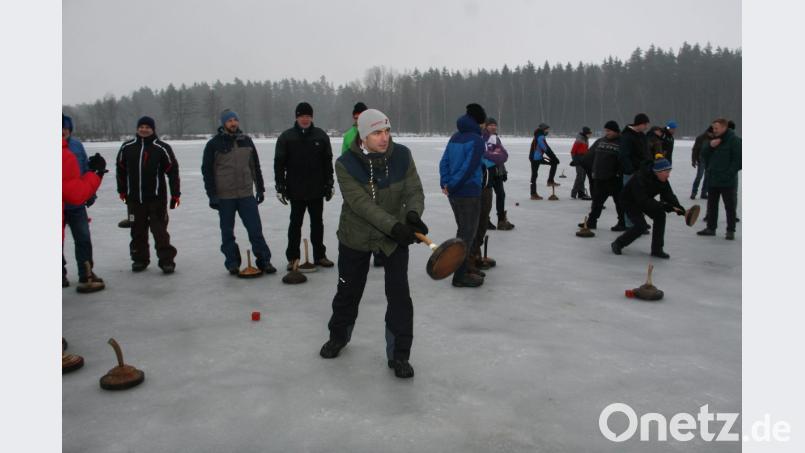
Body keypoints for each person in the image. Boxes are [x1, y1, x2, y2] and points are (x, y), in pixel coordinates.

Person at [319, 109, 426, 379]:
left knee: (400, 296)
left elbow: (414, 189)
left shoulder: (402, 155)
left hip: (394, 237)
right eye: (377, 133)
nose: (384, 138)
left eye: (387, 131)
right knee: (348, 290)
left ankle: (400, 355)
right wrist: (395, 226)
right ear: (363, 136)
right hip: (356, 235)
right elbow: (362, 205)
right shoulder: (345, 164)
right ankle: (338, 336)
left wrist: (413, 215)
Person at [202, 109, 276, 275]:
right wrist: (212, 195)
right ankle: (232, 262)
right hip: (224, 196)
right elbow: (207, 171)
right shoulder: (214, 144)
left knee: (255, 230)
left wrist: (260, 188)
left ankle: (264, 260)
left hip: (246, 194)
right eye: (229, 121)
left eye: (235, 120)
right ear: (223, 123)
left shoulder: (247, 141)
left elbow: (255, 167)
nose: (233, 123)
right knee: (227, 232)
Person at [275, 102, 335, 270]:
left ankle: (320, 256)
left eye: (308, 116)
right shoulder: (287, 137)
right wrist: (280, 186)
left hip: (316, 189)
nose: (305, 119)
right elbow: (279, 164)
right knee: (295, 224)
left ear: (312, 117)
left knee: (317, 224)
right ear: (297, 117)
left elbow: (327, 162)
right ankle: (293, 258)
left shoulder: (321, 136)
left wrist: (329, 183)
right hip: (295, 190)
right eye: (302, 116)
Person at [116, 116, 180, 274]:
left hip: (156, 200)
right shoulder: (127, 147)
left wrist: (175, 195)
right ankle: (139, 259)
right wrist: (122, 190)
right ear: (137, 128)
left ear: (153, 129)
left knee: (160, 232)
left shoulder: (161, 147)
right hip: (134, 200)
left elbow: (173, 171)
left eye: (147, 127)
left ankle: (167, 261)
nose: (144, 129)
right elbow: (120, 170)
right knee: (137, 231)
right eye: (141, 126)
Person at [439, 103, 488, 288]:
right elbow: (468, 168)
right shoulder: (476, 140)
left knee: (465, 231)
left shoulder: (455, 137)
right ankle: (460, 275)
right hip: (467, 192)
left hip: (455, 193)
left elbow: (444, 162)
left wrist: (445, 182)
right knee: (467, 234)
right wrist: (451, 184)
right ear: (479, 121)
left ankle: (466, 267)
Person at [611, 156, 686, 259]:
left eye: (669, 172)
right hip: (629, 202)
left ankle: (657, 249)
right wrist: (665, 206)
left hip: (645, 199)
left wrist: (678, 207)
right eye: (666, 172)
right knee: (641, 226)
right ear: (657, 171)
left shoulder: (662, 180)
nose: (668, 175)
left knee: (660, 216)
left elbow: (669, 195)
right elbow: (643, 201)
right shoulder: (640, 178)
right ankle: (618, 243)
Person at [62, 114, 104, 291]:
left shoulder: (77, 146)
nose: (62, 131)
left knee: (83, 239)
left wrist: (90, 194)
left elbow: (86, 169)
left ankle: (85, 272)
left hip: (76, 203)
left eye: (65, 128)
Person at [697, 118, 742, 240]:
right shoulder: (713, 139)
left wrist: (729, 174)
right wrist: (710, 146)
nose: (714, 130)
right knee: (712, 205)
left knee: (729, 206)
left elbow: (738, 161)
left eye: (716, 128)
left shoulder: (735, 141)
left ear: (724, 127)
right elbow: (703, 154)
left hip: (727, 180)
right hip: (713, 178)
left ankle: (730, 230)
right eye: (713, 128)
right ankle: (711, 228)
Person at [580, 121, 625, 231]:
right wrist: (583, 163)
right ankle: (591, 222)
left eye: (609, 131)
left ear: (615, 131)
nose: (607, 133)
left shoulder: (622, 142)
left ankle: (622, 222)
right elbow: (590, 155)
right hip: (600, 178)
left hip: (615, 179)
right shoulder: (601, 141)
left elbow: (625, 160)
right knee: (597, 202)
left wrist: (619, 172)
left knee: (619, 203)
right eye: (606, 130)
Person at [483, 118, 514, 230]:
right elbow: (485, 155)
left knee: (501, 195)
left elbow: (501, 156)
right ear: (486, 126)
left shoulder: (496, 138)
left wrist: (503, 171)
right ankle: (484, 220)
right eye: (491, 125)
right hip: (486, 173)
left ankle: (501, 220)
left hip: (498, 173)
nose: (493, 127)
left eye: (495, 125)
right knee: (487, 197)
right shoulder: (482, 138)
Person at [528, 123, 560, 199]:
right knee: (554, 163)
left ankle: (534, 193)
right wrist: (554, 158)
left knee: (534, 175)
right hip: (535, 159)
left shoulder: (538, 135)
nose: (547, 131)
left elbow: (544, 148)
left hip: (536, 158)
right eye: (546, 129)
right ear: (543, 129)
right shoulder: (540, 136)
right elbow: (546, 148)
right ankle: (549, 181)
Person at [690, 126, 713, 200]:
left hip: (710, 161)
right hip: (701, 159)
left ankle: (704, 193)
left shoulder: (715, 138)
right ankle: (694, 192)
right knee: (699, 176)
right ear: (708, 132)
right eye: (711, 133)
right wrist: (693, 160)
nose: (712, 135)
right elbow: (695, 149)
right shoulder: (700, 138)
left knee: (707, 177)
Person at [570, 126, 593, 200]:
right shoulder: (579, 140)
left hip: (584, 159)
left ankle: (581, 193)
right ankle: (574, 193)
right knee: (580, 176)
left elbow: (585, 150)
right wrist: (575, 160)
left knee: (583, 176)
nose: (590, 135)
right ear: (586, 133)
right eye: (589, 134)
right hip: (578, 159)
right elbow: (573, 151)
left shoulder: (586, 139)